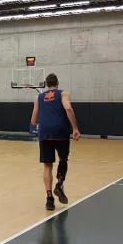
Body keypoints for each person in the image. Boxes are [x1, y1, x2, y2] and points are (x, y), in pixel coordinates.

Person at [30, 73, 80, 211]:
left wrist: (45, 120)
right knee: (63, 159)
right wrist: (75, 128)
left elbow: (33, 120)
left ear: (46, 84)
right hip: (61, 131)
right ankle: (59, 183)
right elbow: (68, 108)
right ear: (57, 83)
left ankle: (49, 199)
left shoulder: (39, 97)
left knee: (47, 166)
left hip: (45, 132)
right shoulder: (63, 94)